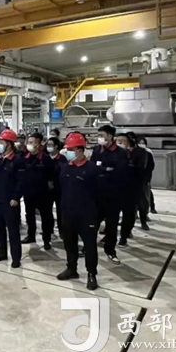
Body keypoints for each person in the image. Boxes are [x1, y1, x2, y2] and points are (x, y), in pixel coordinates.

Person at [57, 132, 99, 290]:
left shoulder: (91, 169)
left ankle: (91, 273)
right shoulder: (66, 167)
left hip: (86, 215)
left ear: (80, 150)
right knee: (69, 243)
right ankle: (71, 268)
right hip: (68, 213)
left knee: (89, 246)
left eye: (71, 149)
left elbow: (100, 194)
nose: (67, 152)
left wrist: (96, 215)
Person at [0, 129, 25, 268]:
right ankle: (1, 252)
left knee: (13, 230)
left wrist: (16, 197)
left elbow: (21, 181)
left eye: (2, 142)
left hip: (10, 201)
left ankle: (16, 257)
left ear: (9, 144)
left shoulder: (17, 160)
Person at [90, 124, 127, 265]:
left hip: (113, 195)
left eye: (102, 136)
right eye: (98, 135)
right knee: (92, 224)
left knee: (111, 226)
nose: (99, 138)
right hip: (97, 194)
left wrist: (102, 168)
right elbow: (92, 167)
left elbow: (120, 172)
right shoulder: (97, 150)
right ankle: (88, 248)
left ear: (110, 136)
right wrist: (106, 169)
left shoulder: (120, 153)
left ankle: (110, 250)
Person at [22, 132, 56, 250]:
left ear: (38, 144)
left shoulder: (46, 159)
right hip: (28, 193)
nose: (28, 144)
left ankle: (46, 239)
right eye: (28, 142)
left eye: (31, 142)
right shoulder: (25, 158)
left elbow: (52, 177)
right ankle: (31, 235)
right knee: (29, 215)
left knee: (46, 217)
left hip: (44, 194)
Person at [116, 132, 149, 247]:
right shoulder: (115, 152)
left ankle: (124, 236)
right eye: (118, 141)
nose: (120, 143)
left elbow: (140, 169)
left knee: (129, 214)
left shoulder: (140, 153)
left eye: (122, 141)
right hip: (116, 188)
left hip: (132, 189)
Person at [46, 136, 67, 237]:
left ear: (56, 146)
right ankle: (49, 230)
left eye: (51, 145)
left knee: (60, 211)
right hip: (47, 190)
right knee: (47, 211)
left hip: (59, 189)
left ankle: (62, 231)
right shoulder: (45, 158)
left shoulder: (62, 159)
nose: (48, 147)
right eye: (48, 145)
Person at [138, 137, 157, 214]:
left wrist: (148, 177)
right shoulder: (135, 152)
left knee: (147, 194)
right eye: (140, 143)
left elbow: (151, 166)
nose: (141, 145)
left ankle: (151, 208)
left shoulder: (148, 152)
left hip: (145, 177)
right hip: (136, 178)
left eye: (143, 143)